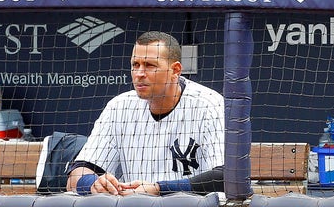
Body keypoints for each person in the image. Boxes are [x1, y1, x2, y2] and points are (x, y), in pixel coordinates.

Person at [66, 31, 225, 196]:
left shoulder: (210, 105)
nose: (139, 73)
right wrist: (94, 184)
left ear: (175, 70)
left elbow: (226, 176)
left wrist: (159, 189)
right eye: (135, 65)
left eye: (150, 65)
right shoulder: (119, 107)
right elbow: (76, 175)